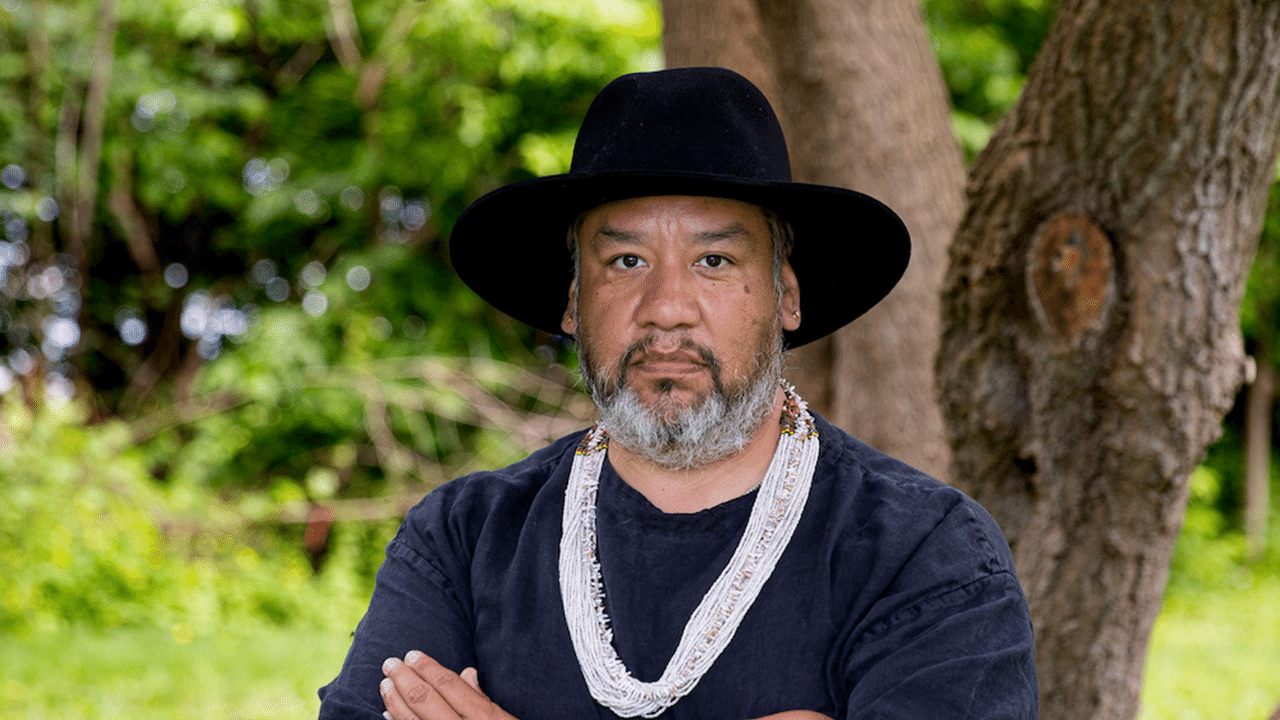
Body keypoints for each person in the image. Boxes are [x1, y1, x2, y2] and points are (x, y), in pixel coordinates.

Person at [318, 66, 1038, 720]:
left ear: (787, 295)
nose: (667, 307)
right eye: (626, 260)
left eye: (714, 260)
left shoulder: (921, 554)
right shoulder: (464, 540)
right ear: (573, 302)